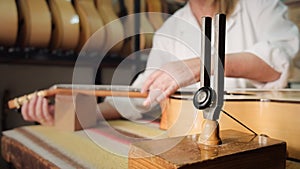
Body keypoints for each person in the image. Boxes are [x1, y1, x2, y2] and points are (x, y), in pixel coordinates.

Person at [21, 0, 299, 125]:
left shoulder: (260, 5)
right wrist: (80, 114)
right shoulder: (171, 27)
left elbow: (276, 64)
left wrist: (199, 64)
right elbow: (144, 94)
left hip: (264, 134)